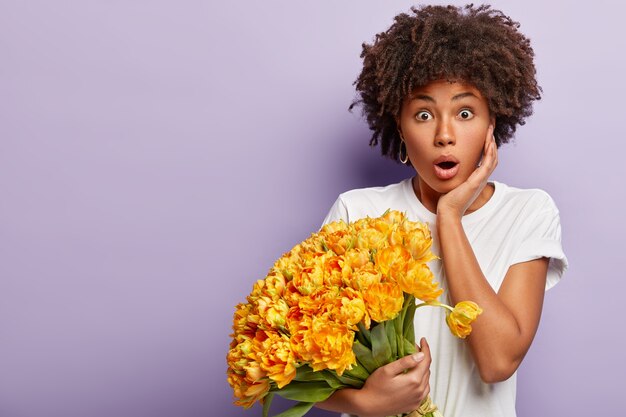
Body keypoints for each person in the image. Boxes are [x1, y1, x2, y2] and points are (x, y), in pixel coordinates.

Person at [315, 4, 568, 417]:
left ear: (493, 123)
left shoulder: (528, 212)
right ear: (399, 125)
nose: (445, 135)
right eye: (423, 114)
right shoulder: (356, 211)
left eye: (465, 113)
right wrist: (365, 402)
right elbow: (298, 360)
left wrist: (449, 216)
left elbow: (497, 361)